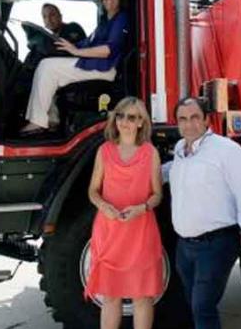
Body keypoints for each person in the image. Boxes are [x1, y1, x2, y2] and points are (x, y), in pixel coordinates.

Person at [169, 97, 241, 329]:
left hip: (216, 244)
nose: (189, 124)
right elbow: (169, 173)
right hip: (185, 248)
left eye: (195, 117)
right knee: (192, 305)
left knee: (203, 308)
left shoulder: (226, 150)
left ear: (207, 119)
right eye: (183, 119)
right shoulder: (180, 149)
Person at [85, 96, 163, 329]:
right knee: (110, 296)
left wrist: (142, 208)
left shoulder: (150, 153)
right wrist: (103, 206)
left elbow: (157, 194)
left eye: (131, 117)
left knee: (142, 296)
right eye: (120, 115)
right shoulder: (104, 151)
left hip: (140, 231)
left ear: (141, 122)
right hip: (109, 231)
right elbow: (92, 190)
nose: (124, 121)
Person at [20, 0, 129, 134]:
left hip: (105, 68)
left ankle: (38, 122)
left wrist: (76, 52)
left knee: (47, 67)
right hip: (93, 64)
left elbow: (108, 50)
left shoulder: (121, 19)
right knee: (46, 66)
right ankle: (50, 119)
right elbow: (86, 42)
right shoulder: (104, 22)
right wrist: (65, 45)